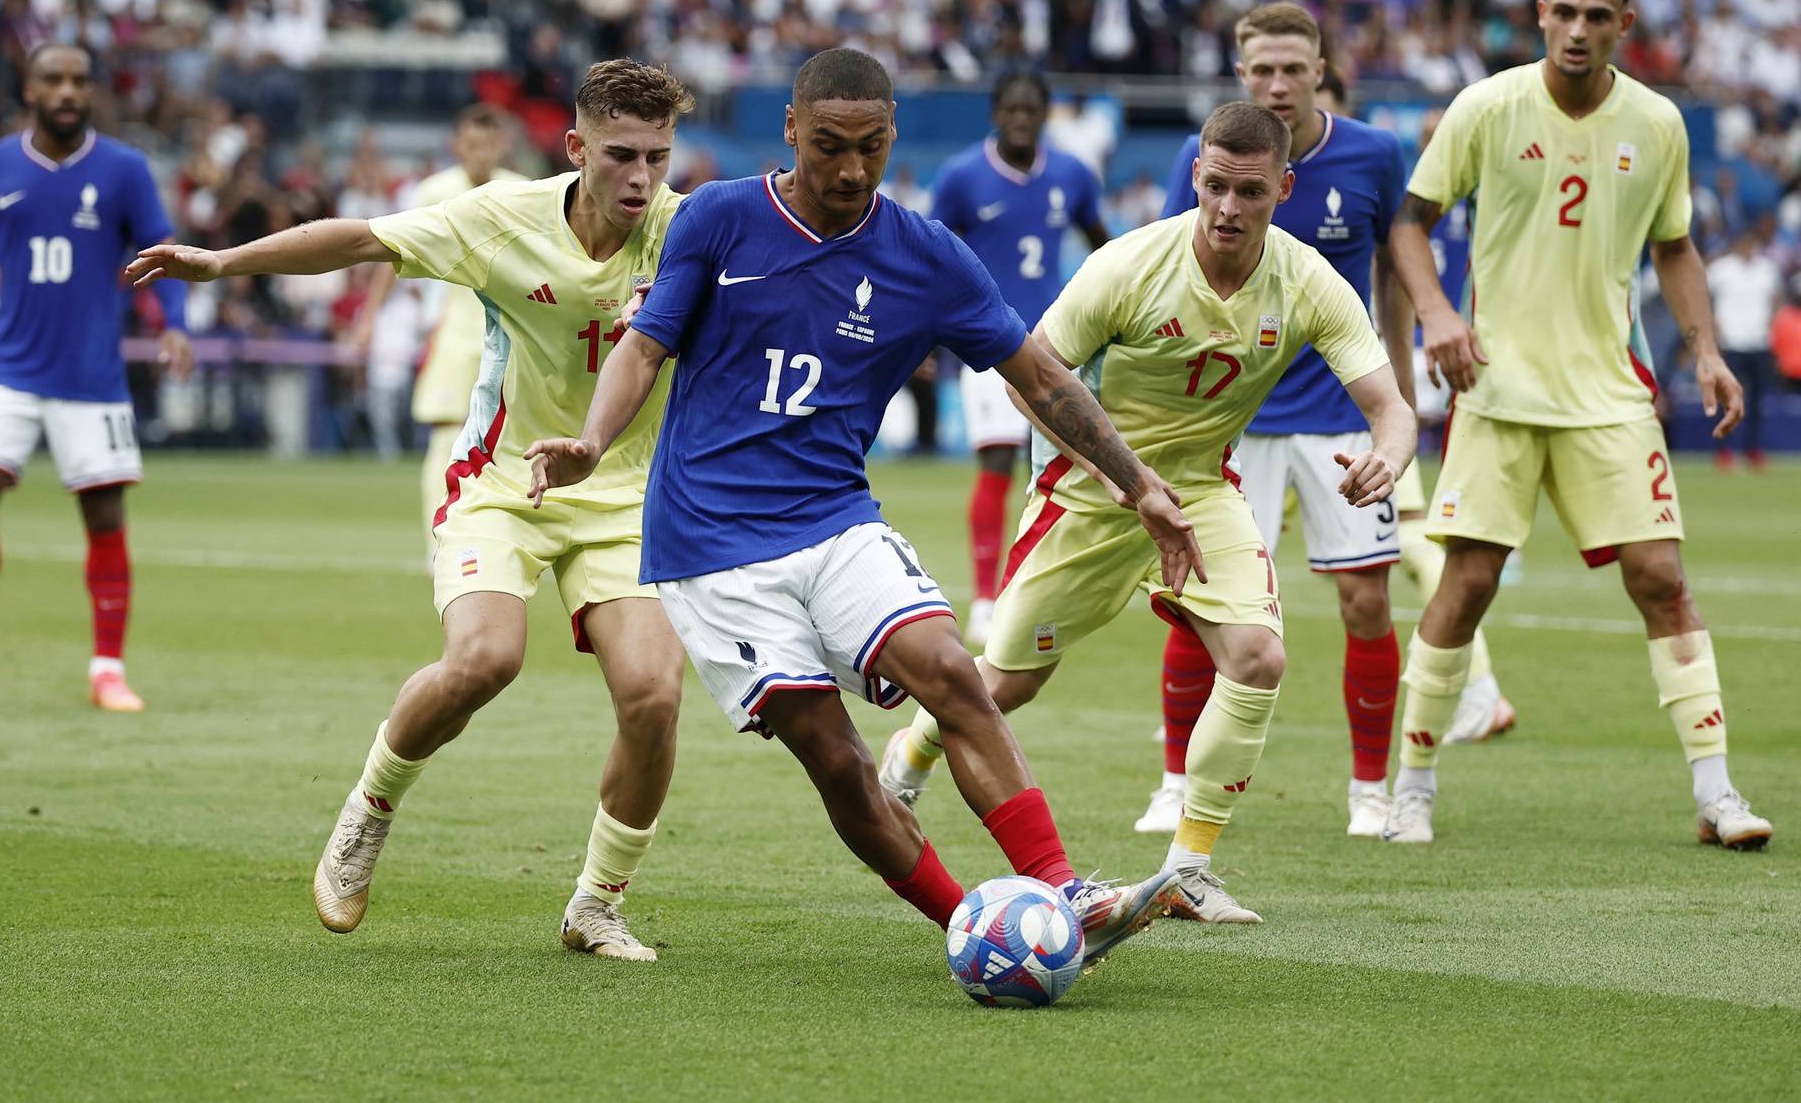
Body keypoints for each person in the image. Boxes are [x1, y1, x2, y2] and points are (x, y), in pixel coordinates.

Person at [527, 48, 1194, 965]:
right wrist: (593, 443)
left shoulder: (926, 257)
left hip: (834, 517)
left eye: (872, 148)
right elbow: (644, 348)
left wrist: (1139, 483)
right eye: (830, 146)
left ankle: (1059, 895)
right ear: (792, 130)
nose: (849, 170)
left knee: (951, 672)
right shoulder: (720, 220)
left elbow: (1039, 374)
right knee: (835, 755)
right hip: (710, 543)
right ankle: (983, 930)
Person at [126, 60, 697, 959]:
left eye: (657, 159)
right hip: (502, 482)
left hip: (623, 493)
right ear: (576, 146)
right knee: (484, 660)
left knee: (654, 695)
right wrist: (225, 262)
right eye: (621, 155)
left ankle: (597, 903)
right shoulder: (500, 217)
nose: (640, 178)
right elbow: (356, 240)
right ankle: (368, 811)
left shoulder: (686, 230)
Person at [880, 101, 1416, 922]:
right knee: (1008, 683)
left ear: (1285, 187)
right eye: (1214, 187)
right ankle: (912, 748)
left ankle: (1189, 869)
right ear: (1195, 176)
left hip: (1200, 492)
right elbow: (1034, 377)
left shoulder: (1308, 281)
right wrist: (1129, 484)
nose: (1229, 209)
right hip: (1091, 490)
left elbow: (1391, 406)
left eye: (1250, 191)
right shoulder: (1128, 266)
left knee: (1257, 658)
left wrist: (1389, 453)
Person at [1383, 0, 1772, 850]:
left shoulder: (1659, 124)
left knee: (1662, 579)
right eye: (1563, 12)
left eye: (1597, 17)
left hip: (1607, 391)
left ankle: (1717, 795)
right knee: (1467, 584)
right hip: (1498, 388)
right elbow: (1411, 223)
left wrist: (1706, 349)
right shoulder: (1488, 106)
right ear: (1539, 12)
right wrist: (1437, 312)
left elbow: (1674, 246)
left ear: (1624, 26)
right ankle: (1415, 786)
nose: (1577, 31)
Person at [1145, 3, 1412, 838]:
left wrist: (1398, 394)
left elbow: (1397, 273)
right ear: (1240, 72)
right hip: (1230, 420)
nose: (1277, 83)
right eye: (1262, 69)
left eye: (1293, 68)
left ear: (1321, 65)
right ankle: (1172, 780)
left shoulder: (1373, 155)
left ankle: (1371, 788)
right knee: (1198, 599)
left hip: (1338, 414)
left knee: (1366, 600)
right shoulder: (1212, 160)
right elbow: (1159, 272)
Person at [0, 43, 194, 714]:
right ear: (30, 89)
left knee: (103, 511)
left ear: (92, 91)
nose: (68, 90)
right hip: (8, 367)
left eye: (79, 79)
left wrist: (173, 321)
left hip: (92, 375)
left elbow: (162, 251)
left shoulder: (125, 169)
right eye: (54, 79)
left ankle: (107, 668)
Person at [930, 72, 1110, 645]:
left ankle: (1038, 587)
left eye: (1032, 109)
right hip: (986, 346)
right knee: (998, 465)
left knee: (1064, 473)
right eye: (1012, 108)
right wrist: (930, 335)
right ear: (996, 111)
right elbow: (933, 257)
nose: (1022, 118)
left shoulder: (1072, 175)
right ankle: (986, 597)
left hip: (1057, 347)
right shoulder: (962, 177)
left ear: (1045, 114)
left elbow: (1104, 246)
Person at [1393, 107, 1517, 746]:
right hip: (1395, 371)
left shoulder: (1466, 213)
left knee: (1421, 541)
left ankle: (1477, 689)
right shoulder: (1404, 202)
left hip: (1407, 374)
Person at [405, 105, 525, 536]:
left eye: (489, 144)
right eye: (472, 144)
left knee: (513, 438)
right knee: (446, 431)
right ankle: (437, 538)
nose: (480, 153)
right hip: (455, 327)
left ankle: (501, 533)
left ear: (503, 145)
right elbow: (393, 251)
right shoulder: (432, 191)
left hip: (514, 331)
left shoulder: (524, 192)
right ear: (457, 145)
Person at [1706, 215, 1785, 472]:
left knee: (1758, 402)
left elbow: (1776, 299)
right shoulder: (1721, 270)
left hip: (1759, 343)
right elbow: (1704, 297)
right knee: (1728, 399)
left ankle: (1753, 450)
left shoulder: (1766, 269)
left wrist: (1770, 323)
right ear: (1738, 243)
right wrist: (1714, 327)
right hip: (1731, 343)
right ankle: (1724, 451)